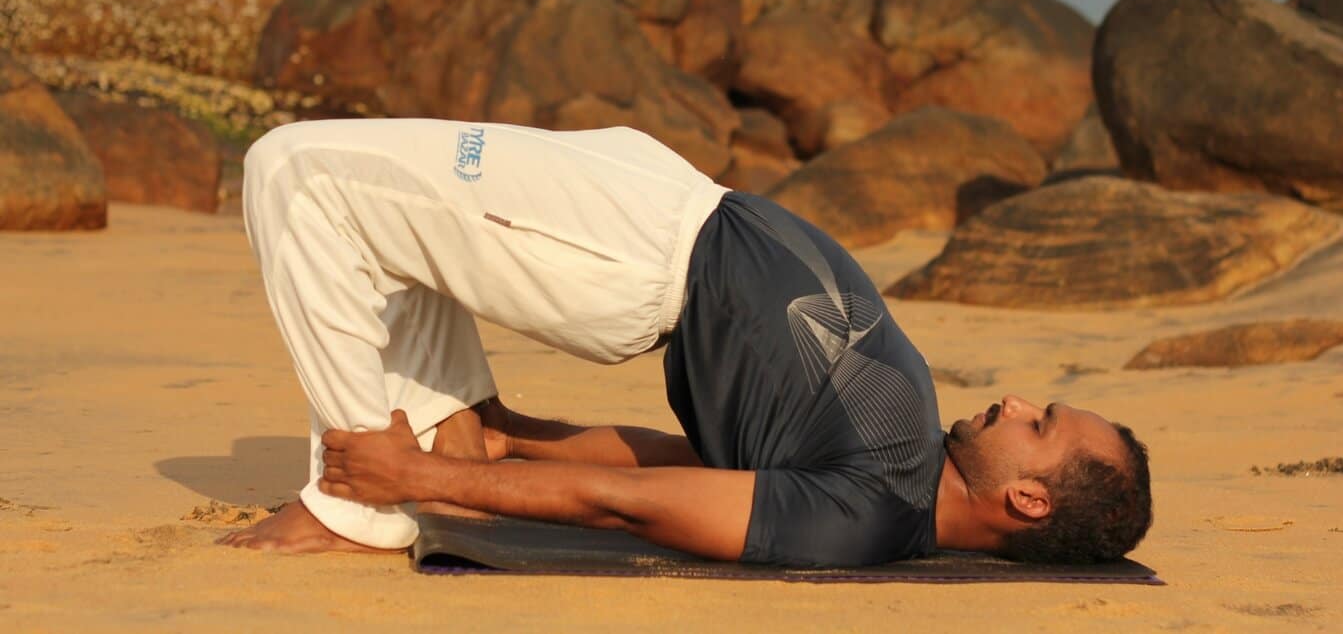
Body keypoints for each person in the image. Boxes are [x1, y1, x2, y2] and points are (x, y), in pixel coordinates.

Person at [219, 119, 1152, 566]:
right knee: (390, 224)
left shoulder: (863, 516)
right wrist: (507, 436)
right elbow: (679, 459)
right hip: (662, 206)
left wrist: (417, 483)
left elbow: (634, 502)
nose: (1018, 402)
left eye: (1041, 423)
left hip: (635, 248)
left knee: (297, 175)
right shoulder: (898, 463)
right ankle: (448, 425)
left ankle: (354, 503)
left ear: (1027, 499)